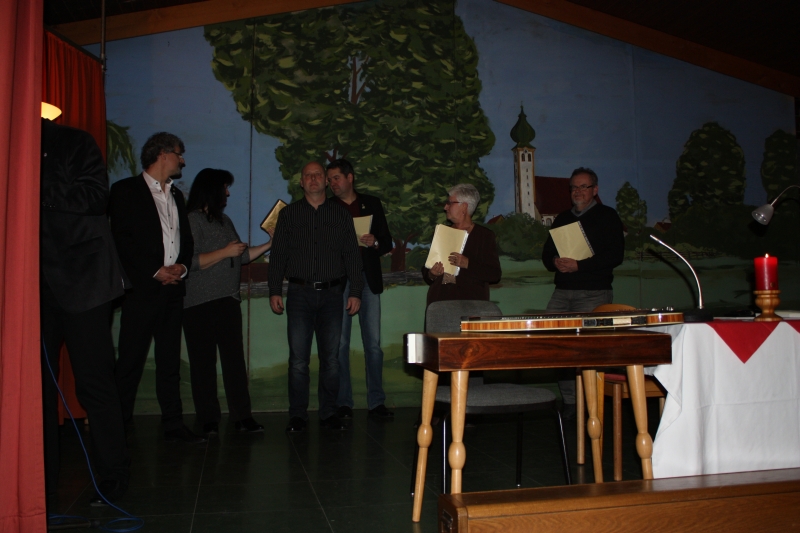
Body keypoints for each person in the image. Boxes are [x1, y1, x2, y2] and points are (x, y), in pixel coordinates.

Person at [39, 118, 130, 506]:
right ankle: (40, 482)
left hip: (85, 281)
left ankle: (112, 478)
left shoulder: (73, 142)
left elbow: (95, 197)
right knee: (37, 390)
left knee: (95, 385)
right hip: (34, 286)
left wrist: (32, 185)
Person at [108, 132, 204, 444]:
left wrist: (182, 267)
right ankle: (116, 428)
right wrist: (154, 271)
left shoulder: (177, 195)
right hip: (141, 291)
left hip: (173, 291)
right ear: (162, 154)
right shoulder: (125, 190)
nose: (182, 160)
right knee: (130, 361)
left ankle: (173, 425)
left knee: (169, 361)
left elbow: (185, 241)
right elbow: (122, 240)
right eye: (179, 153)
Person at [268, 161, 363, 433]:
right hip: (299, 294)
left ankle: (328, 414)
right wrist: (274, 290)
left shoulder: (341, 214)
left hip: (333, 295)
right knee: (298, 361)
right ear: (301, 182)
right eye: (307, 175)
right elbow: (278, 255)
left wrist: (355, 291)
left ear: (326, 181)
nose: (313, 179)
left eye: (318, 175)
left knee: (331, 360)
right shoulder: (289, 215)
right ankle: (297, 416)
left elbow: (352, 255)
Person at [183, 168, 272, 435]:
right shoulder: (192, 220)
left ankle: (242, 417)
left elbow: (241, 257)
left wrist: (270, 243)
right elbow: (189, 262)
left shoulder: (225, 221)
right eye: (225, 187)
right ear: (212, 189)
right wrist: (225, 251)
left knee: (234, 363)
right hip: (199, 303)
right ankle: (208, 419)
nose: (228, 193)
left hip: (228, 301)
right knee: (203, 364)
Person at [541, 167, 625, 419]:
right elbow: (547, 254)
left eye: (583, 187)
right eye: (574, 187)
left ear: (595, 190)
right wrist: (555, 261)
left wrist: (580, 266)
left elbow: (615, 255)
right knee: (558, 348)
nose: (577, 191)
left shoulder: (608, 216)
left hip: (594, 293)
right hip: (562, 292)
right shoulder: (562, 218)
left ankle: (592, 404)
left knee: (589, 351)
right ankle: (570, 403)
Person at [326, 159, 394, 420]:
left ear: (350, 178)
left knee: (373, 344)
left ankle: (376, 402)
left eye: (336, 178)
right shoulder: (328, 208)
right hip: (340, 282)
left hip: (368, 279)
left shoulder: (372, 204)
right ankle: (344, 403)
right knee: (341, 344)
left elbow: (386, 242)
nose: (332, 183)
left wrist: (374, 242)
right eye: (330, 179)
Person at [422, 184, 502, 306]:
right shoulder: (442, 232)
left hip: (472, 304)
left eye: (450, 203)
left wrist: (467, 264)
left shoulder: (484, 236)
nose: (445, 207)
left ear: (464, 207)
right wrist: (431, 274)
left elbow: (494, 274)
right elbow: (427, 270)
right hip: (439, 302)